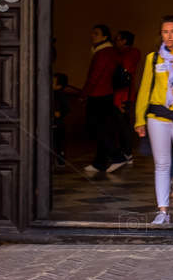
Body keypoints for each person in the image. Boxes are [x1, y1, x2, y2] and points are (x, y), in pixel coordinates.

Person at [135, 14, 173, 225]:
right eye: (165, 31)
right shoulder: (153, 58)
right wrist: (139, 119)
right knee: (162, 164)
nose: (169, 36)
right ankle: (163, 210)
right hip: (157, 116)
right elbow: (144, 90)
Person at [81, 23, 127, 177]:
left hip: (99, 95)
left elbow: (95, 75)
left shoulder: (104, 53)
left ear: (105, 36)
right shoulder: (106, 52)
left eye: (96, 33)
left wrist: (84, 92)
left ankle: (117, 156)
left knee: (98, 128)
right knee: (102, 128)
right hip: (104, 94)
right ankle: (99, 162)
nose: (92, 36)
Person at [113, 29, 142, 158]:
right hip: (124, 94)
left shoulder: (129, 54)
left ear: (124, 41)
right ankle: (125, 151)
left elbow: (123, 75)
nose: (115, 42)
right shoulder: (130, 53)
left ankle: (126, 152)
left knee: (122, 124)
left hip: (123, 95)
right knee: (121, 124)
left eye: (118, 39)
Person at [51, 72, 72, 166]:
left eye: (52, 82)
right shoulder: (52, 93)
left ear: (59, 86)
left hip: (58, 123)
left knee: (59, 143)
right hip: (54, 122)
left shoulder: (60, 94)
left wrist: (60, 113)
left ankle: (61, 160)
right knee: (55, 142)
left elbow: (67, 108)